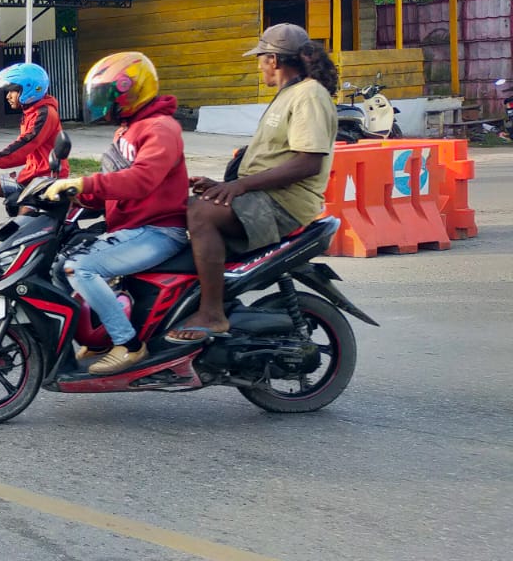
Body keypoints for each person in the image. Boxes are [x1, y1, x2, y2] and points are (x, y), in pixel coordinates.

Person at [168, 24, 338, 343]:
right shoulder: (290, 94)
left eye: (260, 59)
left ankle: (212, 313)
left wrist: (239, 188)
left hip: (283, 205)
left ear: (273, 60)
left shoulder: (309, 95)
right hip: (263, 197)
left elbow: (308, 161)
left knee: (200, 214)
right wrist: (223, 184)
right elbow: (272, 157)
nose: (259, 66)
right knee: (179, 207)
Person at [43, 53, 189, 374]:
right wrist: (80, 197)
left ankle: (129, 345)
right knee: (59, 264)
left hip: (158, 230)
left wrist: (83, 182)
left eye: (108, 95)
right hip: (133, 228)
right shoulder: (129, 129)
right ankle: (97, 340)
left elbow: (141, 180)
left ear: (130, 91)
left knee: (81, 268)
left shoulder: (160, 128)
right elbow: (115, 187)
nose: (103, 103)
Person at [0, 63, 63, 246]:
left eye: (12, 90)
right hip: (28, 176)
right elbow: (22, 154)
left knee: (18, 233)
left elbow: (21, 149)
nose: (8, 95)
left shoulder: (45, 114)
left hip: (44, 181)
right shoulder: (30, 112)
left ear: (29, 89)